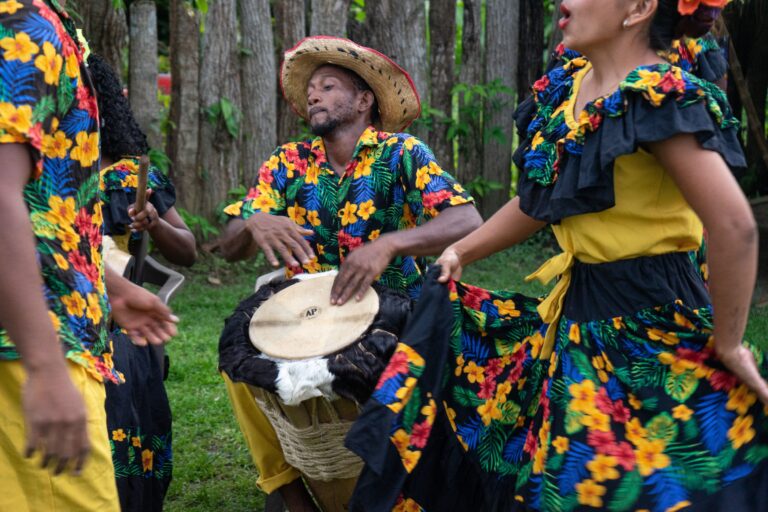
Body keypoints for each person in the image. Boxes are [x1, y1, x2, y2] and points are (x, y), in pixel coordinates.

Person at [345, 0, 768, 510]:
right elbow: (543, 197)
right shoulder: (573, 87)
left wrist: (728, 345)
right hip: (579, 315)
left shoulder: (660, 98)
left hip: (651, 319)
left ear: (637, 9)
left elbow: (734, 226)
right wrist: (461, 249)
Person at [218, 36, 482, 511]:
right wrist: (253, 221)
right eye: (311, 90)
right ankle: (286, 487)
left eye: (328, 85)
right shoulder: (287, 161)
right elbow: (230, 245)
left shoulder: (402, 153)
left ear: (364, 101)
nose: (313, 95)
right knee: (238, 361)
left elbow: (466, 220)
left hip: (392, 306)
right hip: (307, 309)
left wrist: (389, 244)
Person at [0, 1, 178, 511]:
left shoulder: (45, 21)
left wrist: (107, 284)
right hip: (32, 342)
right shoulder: (23, 24)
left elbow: (43, 207)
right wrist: (44, 366)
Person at [88, 53, 197, 511]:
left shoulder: (129, 175)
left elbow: (187, 250)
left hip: (117, 321)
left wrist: (153, 223)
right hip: (54, 311)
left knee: (127, 355)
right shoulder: (37, 171)